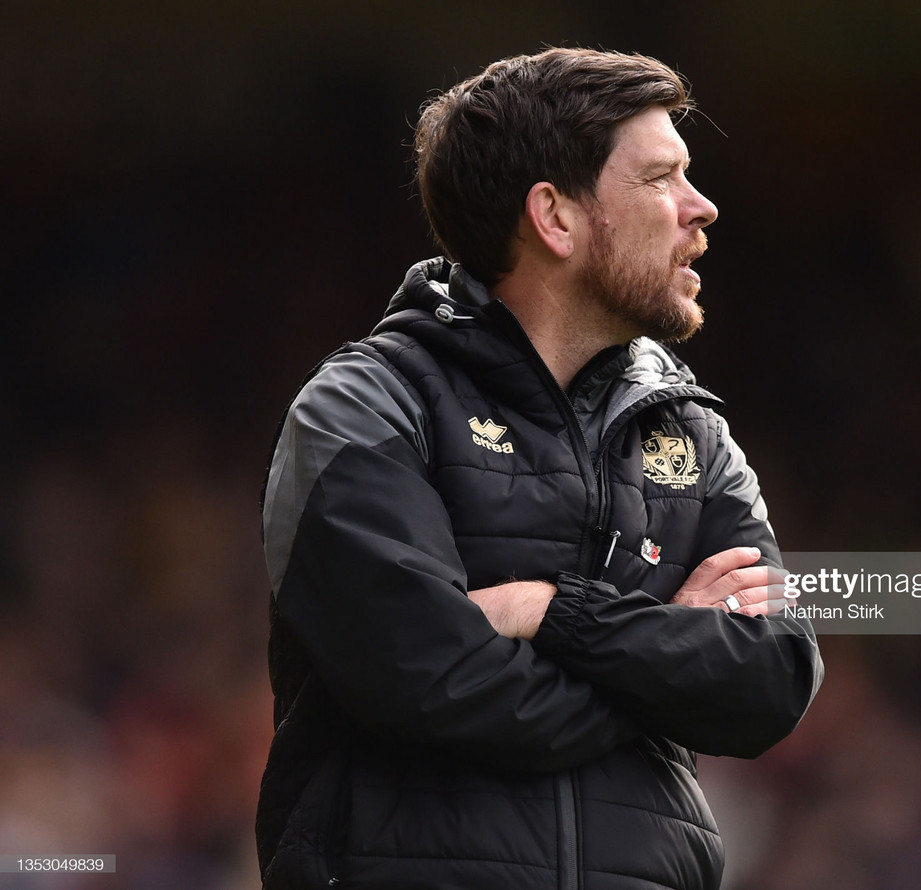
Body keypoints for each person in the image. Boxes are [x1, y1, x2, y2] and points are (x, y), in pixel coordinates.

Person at [257, 47, 823, 890]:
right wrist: (664, 656)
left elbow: (771, 678)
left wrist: (548, 613)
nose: (700, 208)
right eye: (661, 178)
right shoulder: (363, 408)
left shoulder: (694, 433)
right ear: (554, 218)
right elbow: (437, 680)